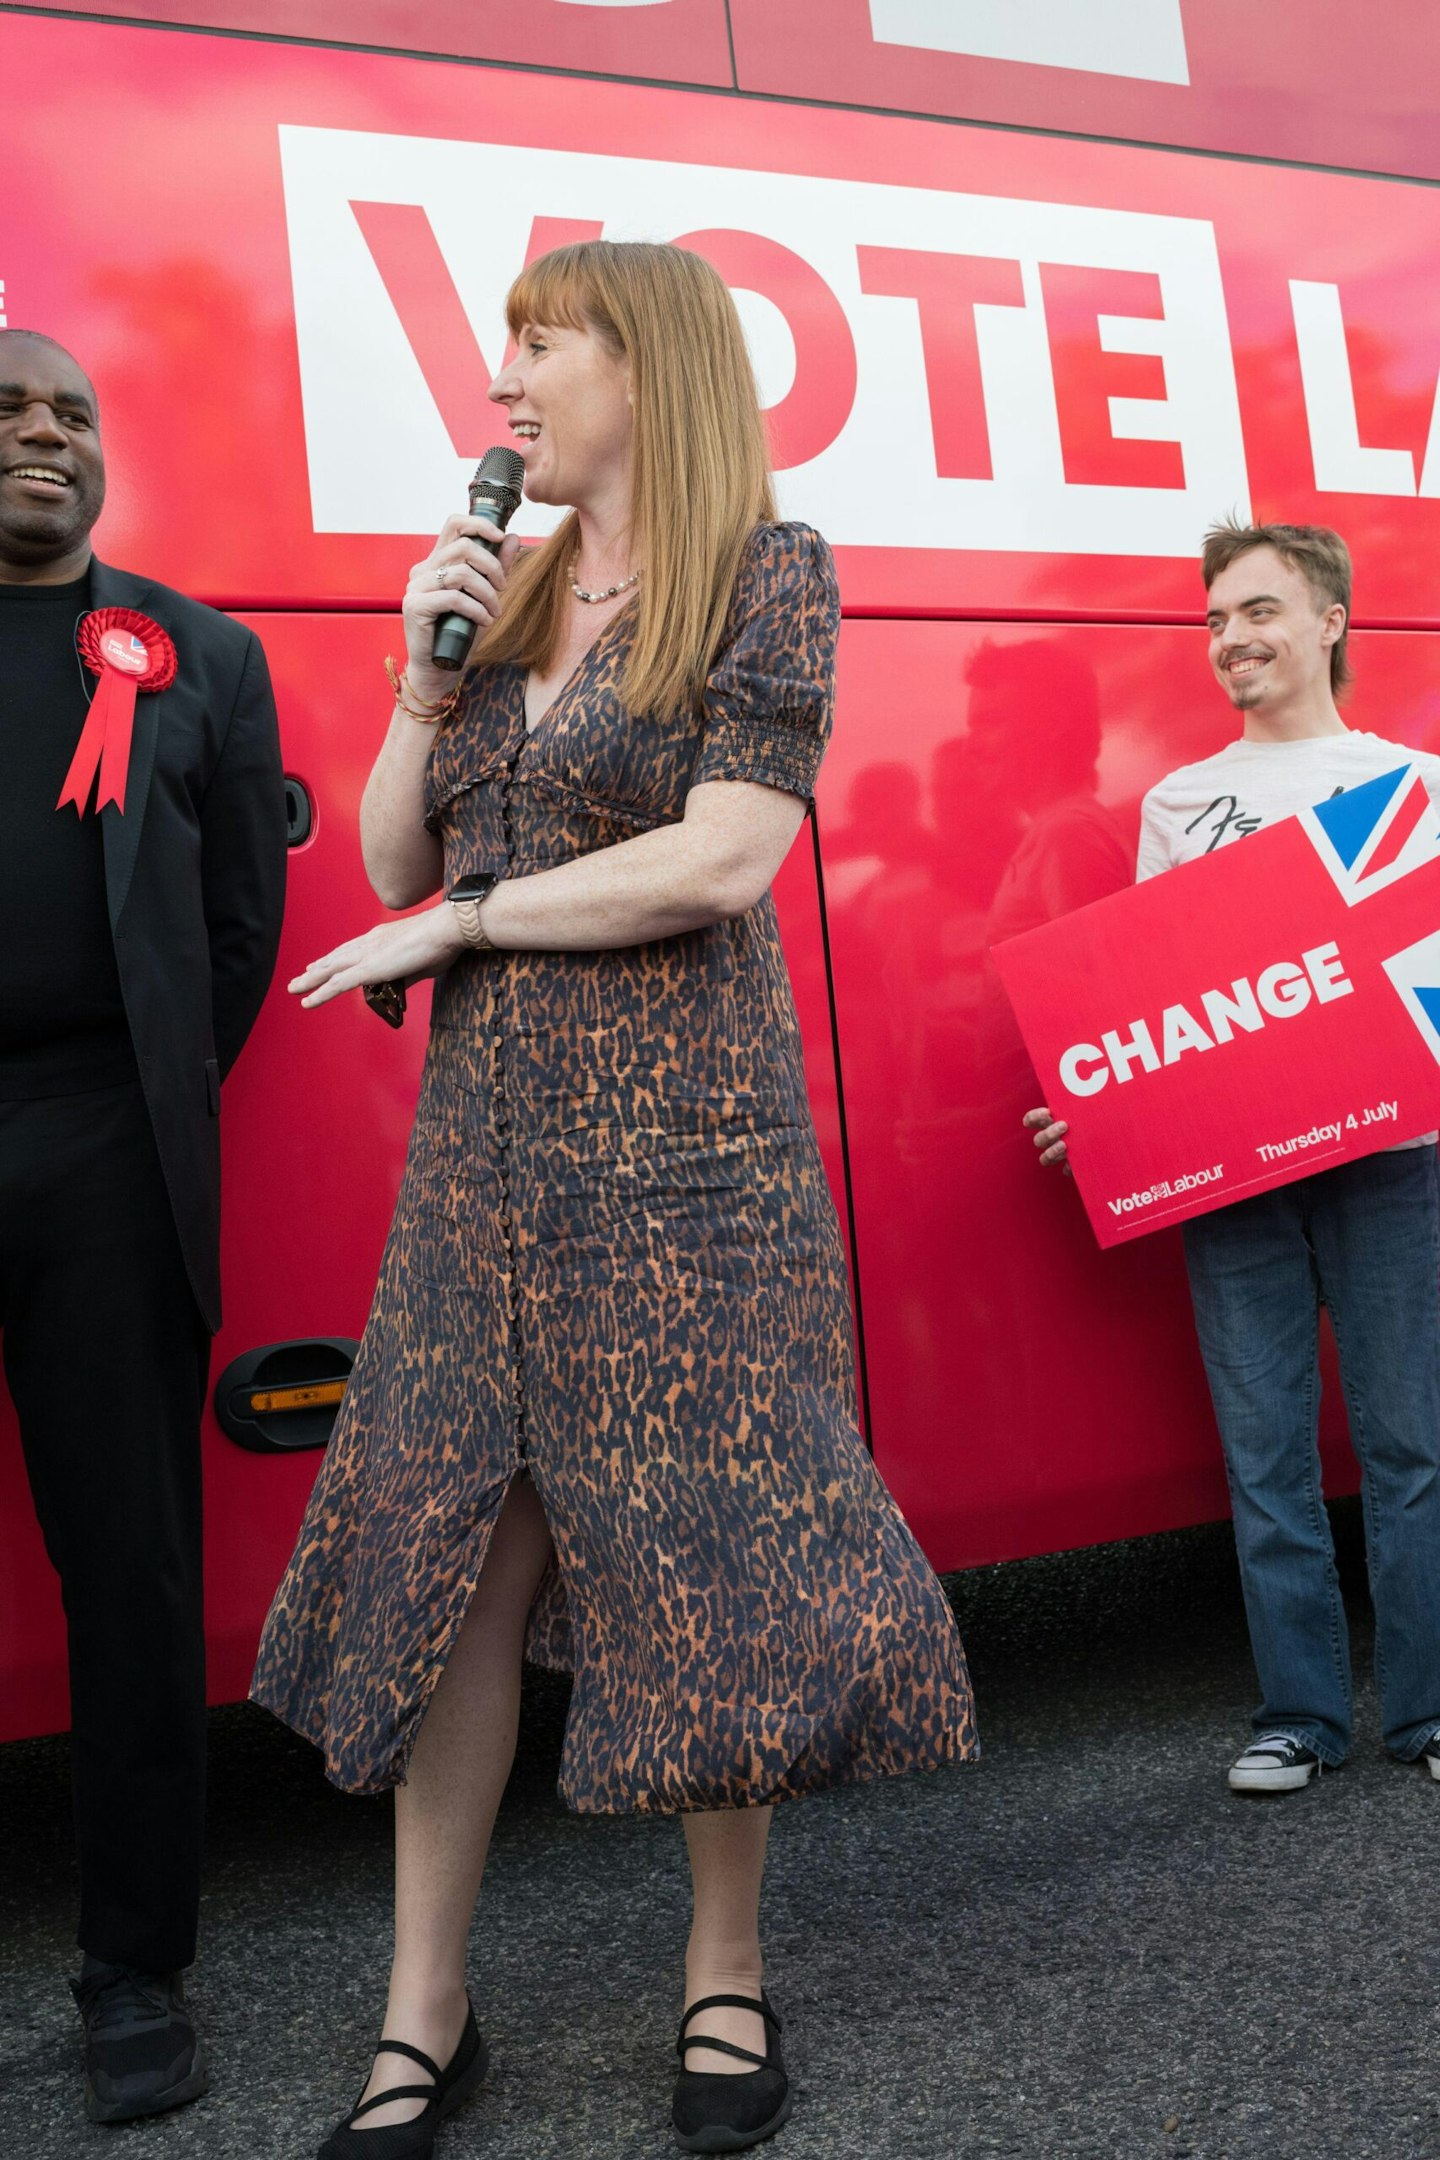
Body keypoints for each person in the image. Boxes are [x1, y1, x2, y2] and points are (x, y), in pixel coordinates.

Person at [251, 239, 975, 2158]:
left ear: (641, 363)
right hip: (485, 1152)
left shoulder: (770, 572)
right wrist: (419, 673)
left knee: (704, 1550)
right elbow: (398, 849)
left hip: (688, 1152)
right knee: (449, 1562)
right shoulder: (511, 585)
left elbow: (727, 858)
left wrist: (476, 919)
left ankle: (721, 1972)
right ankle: (429, 2008)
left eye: (537, 343)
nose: (503, 382)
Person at [1025, 520, 1440, 1797]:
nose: (1231, 639)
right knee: (1263, 1455)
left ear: (1330, 622)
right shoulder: (1178, 803)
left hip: (1395, 1161)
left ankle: (1426, 1718)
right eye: (1213, 620)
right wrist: (1105, 1109)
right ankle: (1299, 1718)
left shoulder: (1415, 782)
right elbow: (1164, 1004)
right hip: (1238, 1173)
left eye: (1257, 610)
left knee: (1412, 1446)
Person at [0, 330, 286, 2119]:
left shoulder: (200, 657)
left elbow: (242, 926)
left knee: (131, 1571)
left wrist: (150, 1099)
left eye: (72, 414)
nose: (44, 435)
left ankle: (135, 1973)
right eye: (9, 410)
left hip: (106, 1154)